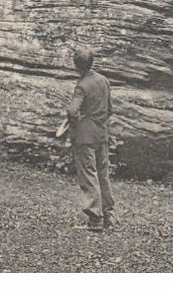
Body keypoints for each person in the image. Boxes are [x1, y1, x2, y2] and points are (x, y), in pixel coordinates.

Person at [67, 45, 115, 231]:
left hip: (85, 136)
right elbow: (110, 109)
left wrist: (78, 120)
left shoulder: (82, 85)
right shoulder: (103, 81)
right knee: (103, 174)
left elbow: (72, 111)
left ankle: (95, 219)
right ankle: (108, 216)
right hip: (101, 134)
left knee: (88, 175)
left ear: (76, 65)